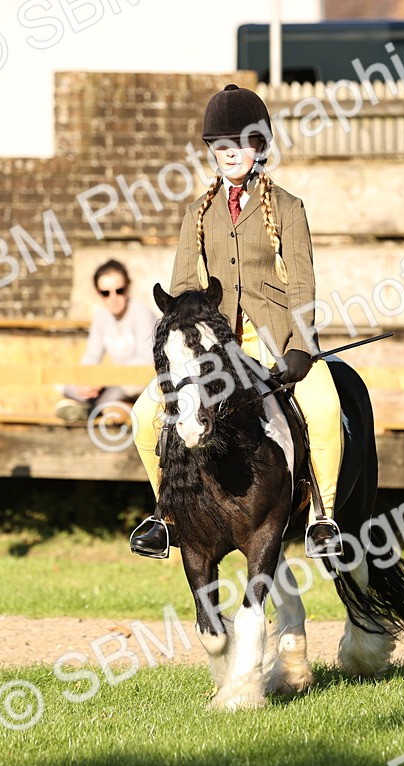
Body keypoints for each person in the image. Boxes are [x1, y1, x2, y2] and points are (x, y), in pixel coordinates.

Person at [128, 84, 344, 560]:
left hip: (276, 339)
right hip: (214, 348)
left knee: (326, 410)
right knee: (144, 417)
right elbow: (184, 284)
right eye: (220, 147)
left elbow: (303, 284)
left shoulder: (288, 207)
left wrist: (302, 348)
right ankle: (165, 516)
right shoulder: (197, 213)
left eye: (239, 144)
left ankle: (323, 517)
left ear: (259, 147)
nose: (229, 155)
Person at [55, 260, 157, 423]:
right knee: (63, 383)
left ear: (128, 288)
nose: (113, 297)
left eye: (119, 290)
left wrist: (104, 379)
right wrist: (86, 381)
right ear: (98, 293)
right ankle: (105, 407)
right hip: (113, 382)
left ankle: (90, 407)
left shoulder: (142, 314)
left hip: (139, 381)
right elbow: (91, 356)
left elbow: (147, 363)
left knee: (125, 389)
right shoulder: (101, 317)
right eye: (105, 293)